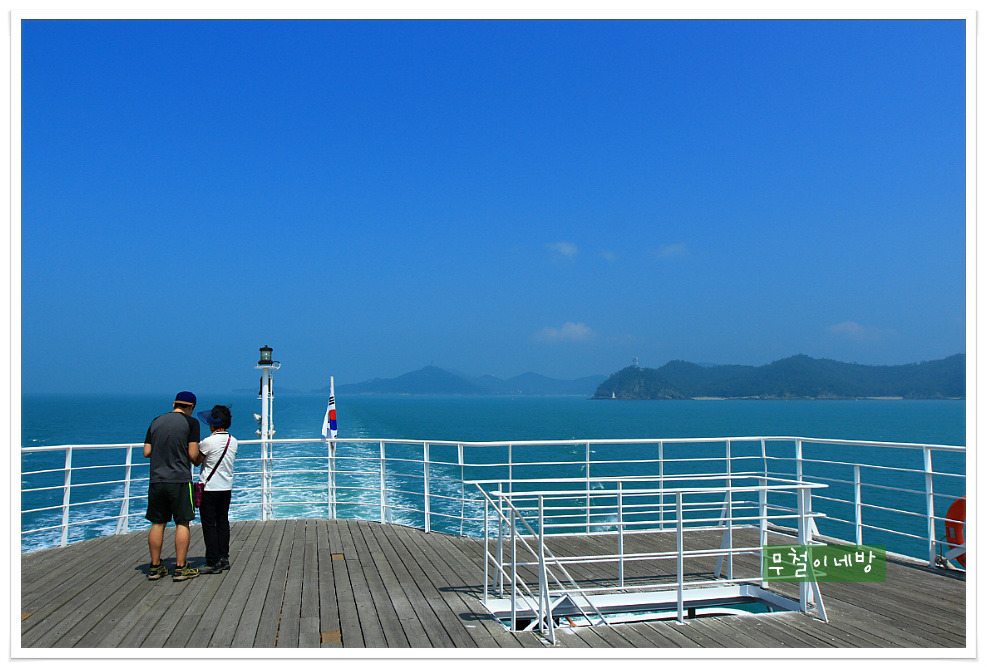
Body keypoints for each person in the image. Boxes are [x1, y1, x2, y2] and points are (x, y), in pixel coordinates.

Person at [144, 391, 201, 582]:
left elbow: (147, 451)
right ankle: (180, 567)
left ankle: (155, 567)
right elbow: (193, 454)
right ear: (191, 407)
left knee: (158, 522)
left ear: (175, 404)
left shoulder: (156, 421)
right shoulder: (191, 423)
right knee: (182, 522)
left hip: (157, 479)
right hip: (179, 480)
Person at [195, 405, 238, 573]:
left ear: (212, 424)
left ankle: (212, 561)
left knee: (209, 525)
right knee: (222, 522)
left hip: (209, 488)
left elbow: (196, 461)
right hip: (225, 487)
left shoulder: (208, 442)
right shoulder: (233, 441)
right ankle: (224, 557)